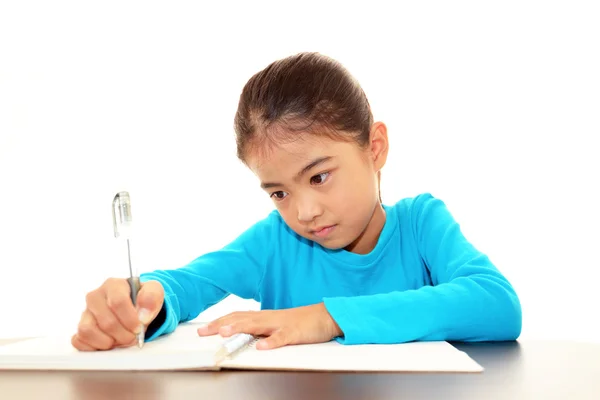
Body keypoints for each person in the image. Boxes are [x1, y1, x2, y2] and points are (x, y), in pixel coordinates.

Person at [71, 52, 522, 352]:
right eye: (280, 192)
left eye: (320, 176)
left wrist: (329, 317)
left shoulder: (422, 225)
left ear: (375, 147)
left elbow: (497, 302)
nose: (304, 212)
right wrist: (146, 300)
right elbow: (187, 284)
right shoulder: (275, 240)